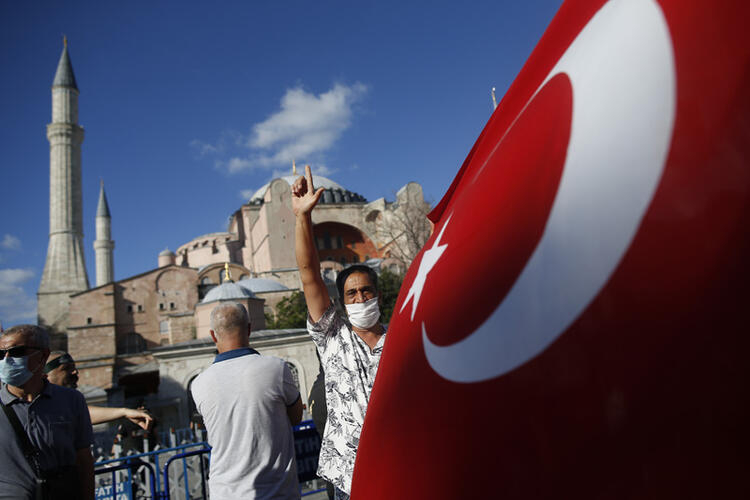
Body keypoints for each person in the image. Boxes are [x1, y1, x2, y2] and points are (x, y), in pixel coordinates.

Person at [292, 165, 387, 500]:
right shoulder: (333, 335)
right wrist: (303, 218)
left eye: (366, 291)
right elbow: (309, 275)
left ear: (377, 294)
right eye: (352, 293)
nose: (360, 298)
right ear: (342, 302)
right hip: (351, 475)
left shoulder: (397, 339)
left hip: (397, 461)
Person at [191, 302, 303, 499]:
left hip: (225, 493)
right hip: (278, 491)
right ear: (249, 329)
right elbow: (296, 418)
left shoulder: (199, 383)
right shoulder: (276, 368)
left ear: (213, 335)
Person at [0, 325, 94, 499]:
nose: (6, 359)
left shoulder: (72, 400)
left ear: (43, 355)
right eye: (1, 354)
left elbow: (84, 460)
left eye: (16, 352)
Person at [44, 351, 153, 429]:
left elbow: (81, 413)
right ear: (45, 375)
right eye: (66, 368)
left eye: (74, 368)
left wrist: (125, 412)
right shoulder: (36, 406)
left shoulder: (69, 404)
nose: (75, 372)